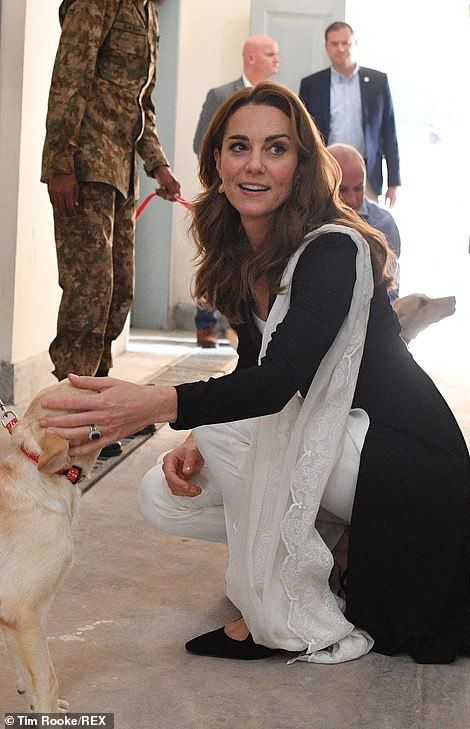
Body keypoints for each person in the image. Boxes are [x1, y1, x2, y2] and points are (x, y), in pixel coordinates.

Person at [40, 83, 469, 666]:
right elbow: (253, 368)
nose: (255, 165)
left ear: (301, 164)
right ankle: (337, 552)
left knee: (227, 428)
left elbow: (275, 384)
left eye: (277, 149)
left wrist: (151, 405)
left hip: (404, 463)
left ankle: (281, 616)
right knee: (162, 496)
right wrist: (195, 433)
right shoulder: (248, 253)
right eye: (239, 147)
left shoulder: (332, 250)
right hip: (341, 446)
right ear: (216, 161)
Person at [41, 0, 180, 382]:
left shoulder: (147, 11)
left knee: (118, 293)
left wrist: (158, 163)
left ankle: (96, 400)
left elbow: (141, 104)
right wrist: (60, 164)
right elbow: (70, 79)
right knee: (89, 292)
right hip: (84, 168)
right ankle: (69, 408)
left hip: (122, 171)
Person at [192, 35, 280, 346]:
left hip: (262, 205)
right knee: (217, 258)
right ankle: (206, 325)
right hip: (225, 197)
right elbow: (200, 144)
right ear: (252, 57)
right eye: (270, 54)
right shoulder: (220, 96)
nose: (277, 60)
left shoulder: (281, 103)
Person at [299, 21, 400, 206]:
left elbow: (389, 131)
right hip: (325, 170)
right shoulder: (311, 85)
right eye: (334, 44)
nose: (341, 49)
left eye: (346, 43)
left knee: (367, 227)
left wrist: (394, 182)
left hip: (366, 173)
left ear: (355, 44)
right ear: (326, 48)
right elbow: (303, 134)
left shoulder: (378, 82)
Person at [327, 143, 400, 299]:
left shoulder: (383, 225)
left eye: (359, 188)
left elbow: (391, 295)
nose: (352, 200)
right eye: (342, 190)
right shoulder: (303, 223)